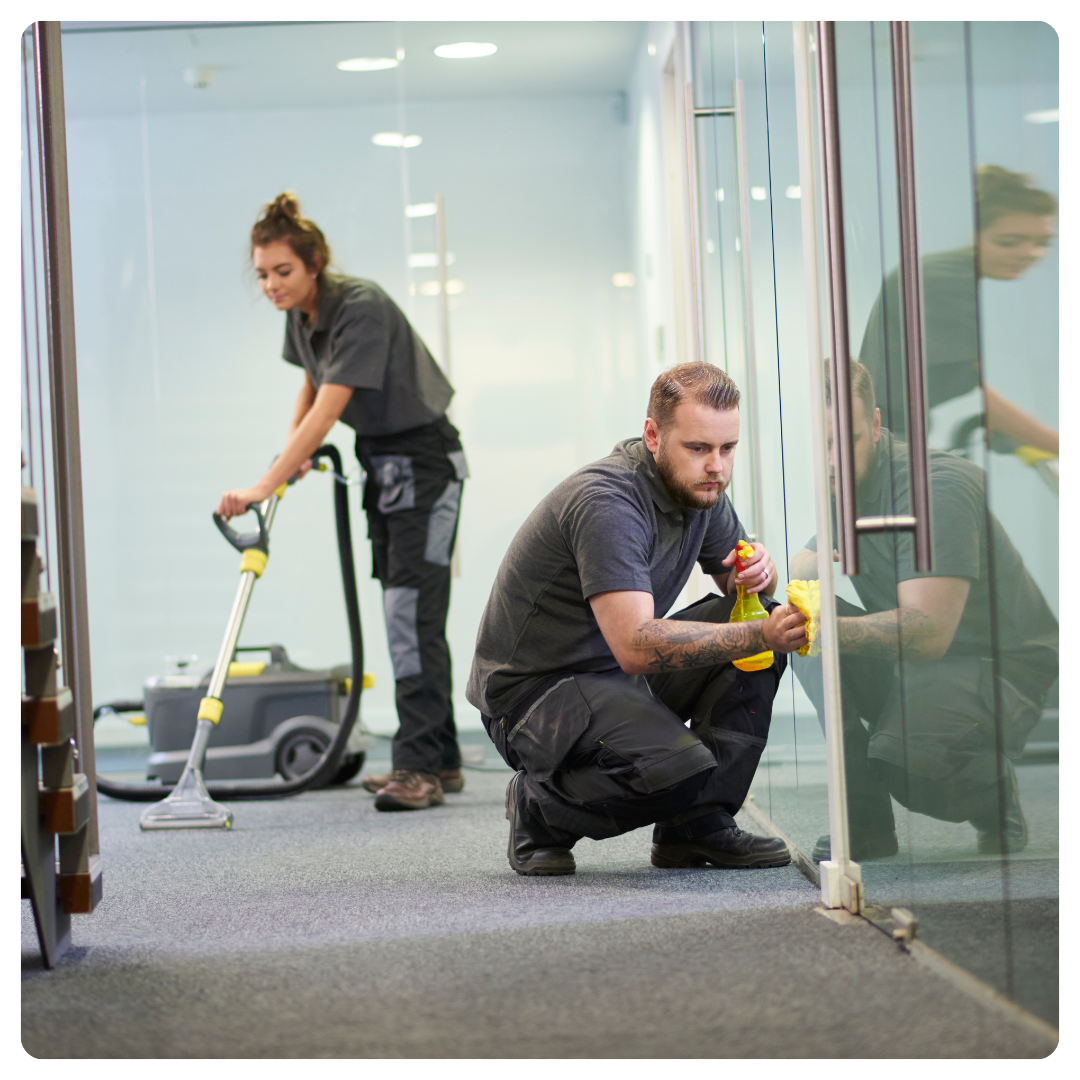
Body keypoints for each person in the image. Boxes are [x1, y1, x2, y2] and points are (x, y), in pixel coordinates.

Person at [466, 362, 809, 876]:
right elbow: (634, 644)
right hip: (534, 698)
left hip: (610, 678)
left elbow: (736, 591)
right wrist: (759, 630)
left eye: (727, 448)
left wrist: (760, 573)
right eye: (698, 448)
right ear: (653, 435)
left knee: (756, 638)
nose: (716, 466)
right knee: (680, 767)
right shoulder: (608, 502)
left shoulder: (701, 487)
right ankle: (539, 807)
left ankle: (698, 827)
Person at [217, 192, 469, 812]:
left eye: (284, 272)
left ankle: (418, 769)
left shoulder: (360, 306)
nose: (272, 285)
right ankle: (440, 758)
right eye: (263, 275)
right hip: (384, 465)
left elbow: (331, 407)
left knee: (409, 614)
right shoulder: (302, 314)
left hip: (428, 465)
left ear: (315, 263)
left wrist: (265, 482)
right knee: (403, 610)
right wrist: (291, 454)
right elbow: (309, 383)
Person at [790, 362, 1058, 862]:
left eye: (845, 441)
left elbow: (930, 632)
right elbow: (804, 561)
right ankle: (865, 826)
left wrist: (824, 628)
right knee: (806, 641)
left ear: (874, 423)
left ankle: (994, 790)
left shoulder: (938, 490)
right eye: (821, 445)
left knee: (905, 765)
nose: (833, 462)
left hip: (995, 668)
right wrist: (811, 575)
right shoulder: (845, 480)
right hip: (918, 663)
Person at [858, 165, 1058, 457]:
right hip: (884, 443)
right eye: (1008, 242)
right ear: (975, 234)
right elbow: (983, 396)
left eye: (1041, 243)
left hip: (892, 436)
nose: (1031, 253)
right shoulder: (943, 279)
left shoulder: (949, 272)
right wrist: (1065, 447)